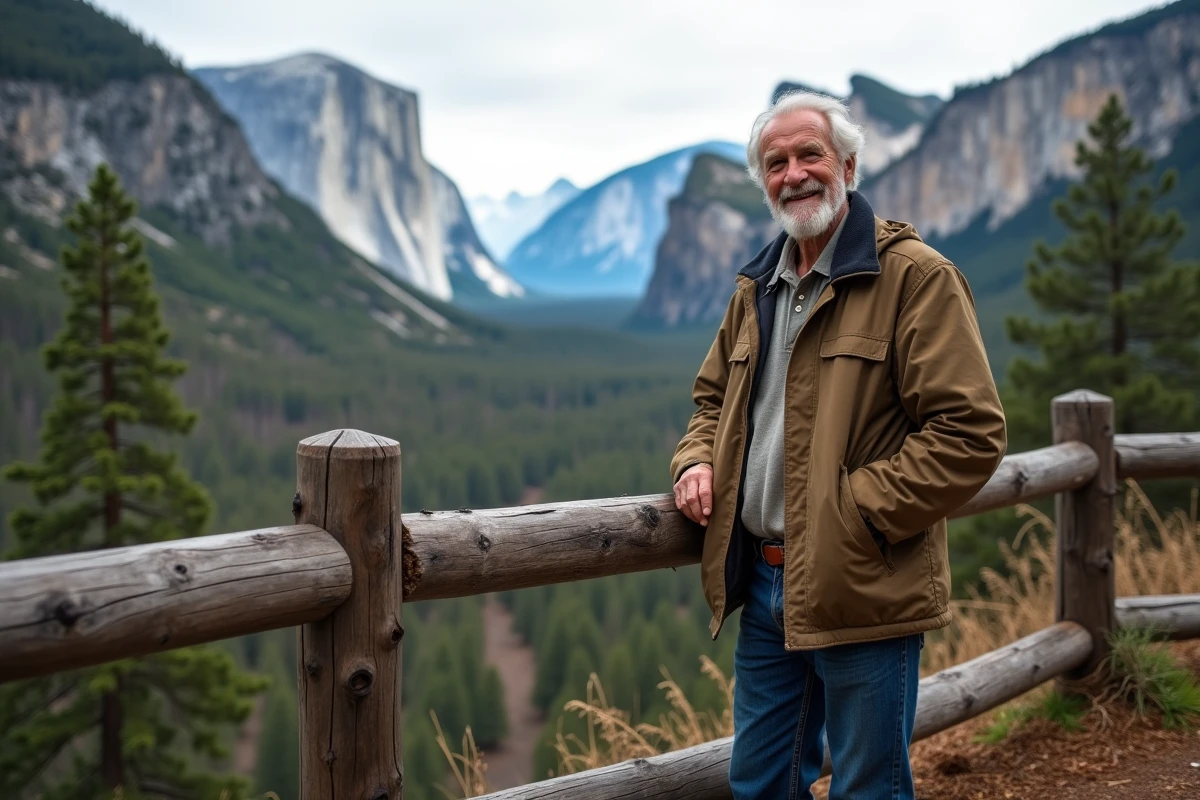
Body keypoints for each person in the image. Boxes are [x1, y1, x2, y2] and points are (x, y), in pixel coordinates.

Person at [670, 91, 1007, 800]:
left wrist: (853, 513)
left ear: (848, 165)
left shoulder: (916, 278)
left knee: (867, 788)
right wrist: (696, 458)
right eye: (776, 162)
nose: (793, 174)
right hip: (761, 583)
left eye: (810, 155)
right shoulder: (756, 288)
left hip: (864, 585)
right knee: (759, 782)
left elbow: (969, 434)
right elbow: (710, 400)